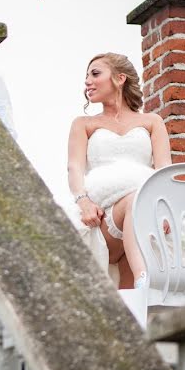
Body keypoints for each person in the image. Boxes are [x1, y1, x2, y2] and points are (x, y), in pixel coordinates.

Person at [66, 52, 169, 289]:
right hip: (104, 217)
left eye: (95, 74)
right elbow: (74, 167)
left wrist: (165, 207)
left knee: (132, 308)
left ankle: (139, 290)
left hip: (145, 214)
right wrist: (84, 203)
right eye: (86, 76)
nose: (87, 81)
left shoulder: (152, 122)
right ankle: (145, 278)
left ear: (120, 78)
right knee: (135, 201)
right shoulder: (83, 124)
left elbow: (164, 169)